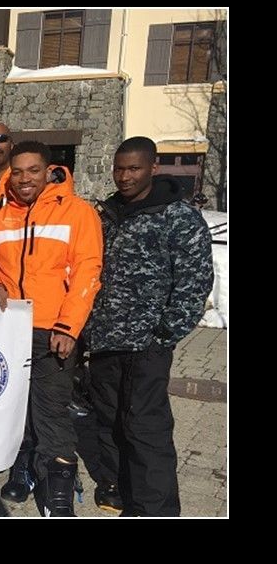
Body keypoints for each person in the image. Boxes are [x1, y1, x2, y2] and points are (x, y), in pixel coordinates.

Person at [86, 136, 213, 516]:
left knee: (145, 428)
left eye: (134, 168)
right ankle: (118, 489)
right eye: (119, 169)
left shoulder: (179, 218)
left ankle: (155, 508)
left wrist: (165, 333)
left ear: (153, 168)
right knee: (109, 422)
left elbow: (194, 283)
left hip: (147, 346)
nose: (124, 177)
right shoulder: (107, 216)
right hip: (104, 341)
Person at [0, 141, 102, 516]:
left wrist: (69, 326)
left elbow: (87, 271)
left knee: (51, 411)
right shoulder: (1, 216)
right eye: (17, 172)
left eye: (33, 170)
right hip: (10, 328)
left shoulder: (77, 212)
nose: (24, 179)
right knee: (15, 408)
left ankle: (58, 496)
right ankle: (23, 470)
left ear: (49, 171)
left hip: (52, 330)